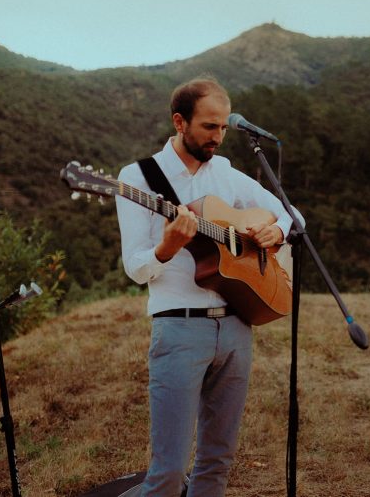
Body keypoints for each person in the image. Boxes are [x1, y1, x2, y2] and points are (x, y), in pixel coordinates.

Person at [116, 76, 301, 496]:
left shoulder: (226, 173)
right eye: (208, 127)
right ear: (180, 122)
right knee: (168, 472)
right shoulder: (139, 177)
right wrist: (166, 247)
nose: (218, 137)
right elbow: (135, 267)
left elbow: (290, 214)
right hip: (179, 328)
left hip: (236, 326)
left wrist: (276, 231)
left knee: (216, 462)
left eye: (222, 128)